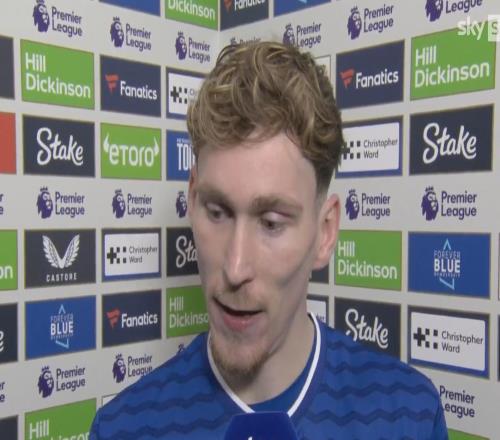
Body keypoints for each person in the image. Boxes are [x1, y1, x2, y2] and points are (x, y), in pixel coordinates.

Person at [90, 41, 447, 439]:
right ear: (191, 200)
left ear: (325, 232)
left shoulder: (409, 414)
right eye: (217, 212)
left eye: (272, 223)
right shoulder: (122, 428)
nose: (235, 267)